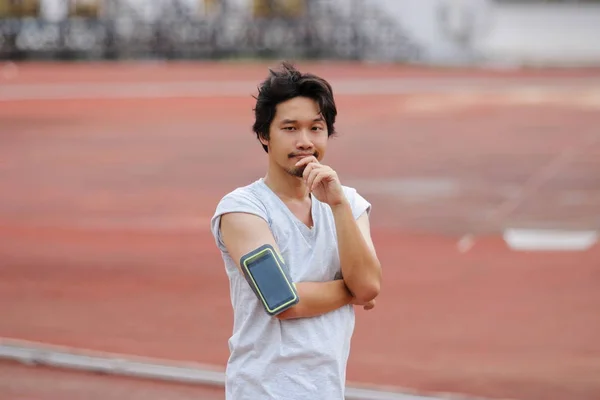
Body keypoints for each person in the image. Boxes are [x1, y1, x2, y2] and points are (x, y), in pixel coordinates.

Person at [210, 61, 382, 400]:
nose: (305, 141)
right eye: (290, 128)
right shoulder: (243, 209)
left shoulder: (349, 203)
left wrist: (337, 206)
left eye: (315, 128)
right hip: (261, 391)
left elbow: (369, 284)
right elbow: (282, 300)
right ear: (264, 135)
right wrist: (352, 292)